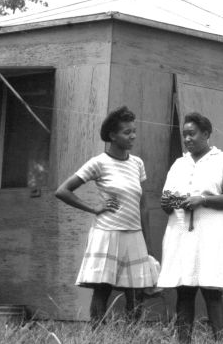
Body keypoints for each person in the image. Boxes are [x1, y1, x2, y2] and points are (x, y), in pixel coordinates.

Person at [55, 105, 158, 325]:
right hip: (107, 233)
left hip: (134, 234)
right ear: (112, 135)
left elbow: (143, 206)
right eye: (126, 132)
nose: (132, 136)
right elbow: (62, 191)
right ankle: (97, 339)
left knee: (136, 290)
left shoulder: (137, 163)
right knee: (103, 289)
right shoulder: (98, 163)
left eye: (134, 131)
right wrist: (94, 208)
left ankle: (130, 340)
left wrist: (148, 244)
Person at [158, 112, 223, 344]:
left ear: (206, 134)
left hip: (209, 233)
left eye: (192, 133)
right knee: (184, 290)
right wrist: (176, 201)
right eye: (184, 134)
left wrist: (202, 199)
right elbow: (165, 201)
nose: (187, 138)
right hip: (181, 232)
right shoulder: (179, 164)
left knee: (211, 290)